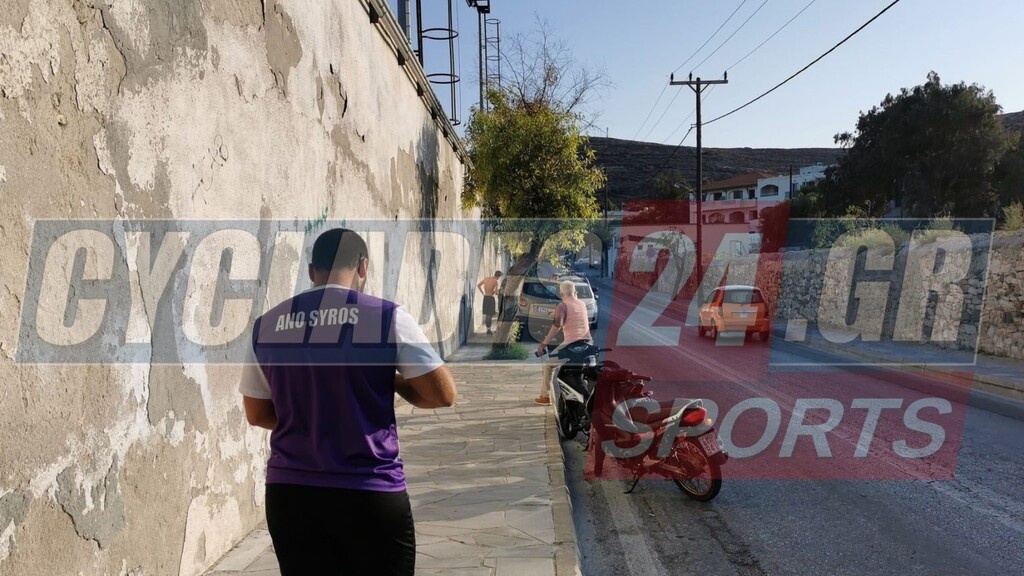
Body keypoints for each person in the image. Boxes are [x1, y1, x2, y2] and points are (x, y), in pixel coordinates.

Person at [239, 228, 457, 576]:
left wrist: (311, 418)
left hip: (290, 495)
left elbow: (257, 413)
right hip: (368, 491)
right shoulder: (386, 317)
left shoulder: (266, 325)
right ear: (363, 267)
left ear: (312, 271)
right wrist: (391, 380)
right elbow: (442, 394)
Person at [534, 280, 592, 406]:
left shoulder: (562, 305)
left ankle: (545, 396)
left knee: (549, 365)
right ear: (575, 292)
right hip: (588, 343)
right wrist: (555, 312)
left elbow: (557, 325)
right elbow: (571, 312)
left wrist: (544, 343)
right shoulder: (582, 304)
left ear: (561, 294)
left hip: (571, 344)